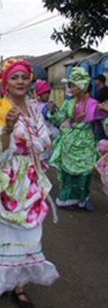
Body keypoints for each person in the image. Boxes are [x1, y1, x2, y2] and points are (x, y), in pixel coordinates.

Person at [0, 59, 59, 308]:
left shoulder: (33, 108)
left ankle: (20, 286)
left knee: (29, 234)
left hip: (30, 179)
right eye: (15, 78)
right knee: (3, 233)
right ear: (6, 83)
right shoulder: (2, 107)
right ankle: (0, 283)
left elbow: (44, 141)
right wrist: (9, 129)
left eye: (24, 77)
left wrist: (35, 147)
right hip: (7, 181)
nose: (20, 82)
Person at [49, 67, 107, 210]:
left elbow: (104, 120)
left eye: (72, 85)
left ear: (82, 86)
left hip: (86, 142)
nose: (69, 88)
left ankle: (83, 199)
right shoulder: (69, 103)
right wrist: (52, 112)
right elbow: (59, 119)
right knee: (68, 173)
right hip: (69, 141)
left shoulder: (94, 104)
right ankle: (68, 199)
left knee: (85, 172)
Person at [34, 80, 59, 161]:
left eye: (48, 93)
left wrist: (52, 111)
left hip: (50, 131)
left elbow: (53, 116)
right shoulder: (34, 105)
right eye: (45, 93)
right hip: (41, 131)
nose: (47, 95)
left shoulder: (49, 105)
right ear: (39, 94)